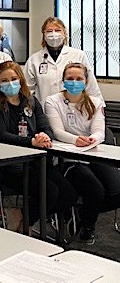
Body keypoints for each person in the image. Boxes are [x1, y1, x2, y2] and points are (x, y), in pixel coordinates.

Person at [0, 61, 77, 233]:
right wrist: (31, 142)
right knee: (49, 192)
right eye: (4, 80)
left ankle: (21, 215)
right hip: (10, 165)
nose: (10, 83)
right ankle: (26, 226)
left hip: (36, 161)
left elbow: (46, 127)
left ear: (20, 79)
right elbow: (1, 135)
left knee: (68, 194)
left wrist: (44, 136)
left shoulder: (31, 101)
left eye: (13, 78)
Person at [44, 63, 120, 244]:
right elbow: (57, 131)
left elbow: (100, 131)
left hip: (93, 153)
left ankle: (82, 213)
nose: (74, 82)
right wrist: (75, 140)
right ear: (63, 81)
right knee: (95, 190)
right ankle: (87, 227)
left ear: (86, 82)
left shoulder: (95, 102)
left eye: (79, 79)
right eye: (70, 78)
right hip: (68, 157)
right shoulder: (52, 101)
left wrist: (93, 138)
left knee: (117, 191)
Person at [24, 16, 103, 109]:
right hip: (44, 110)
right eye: (49, 31)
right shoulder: (34, 59)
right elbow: (27, 90)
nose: (53, 34)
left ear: (64, 33)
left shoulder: (78, 55)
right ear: (43, 34)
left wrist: (99, 107)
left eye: (57, 30)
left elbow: (90, 84)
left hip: (75, 109)